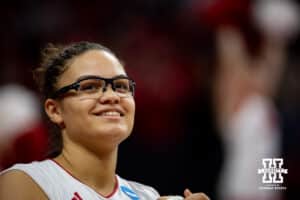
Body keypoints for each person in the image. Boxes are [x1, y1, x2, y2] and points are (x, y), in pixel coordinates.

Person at [0, 41, 209, 200]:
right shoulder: (23, 181)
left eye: (121, 86)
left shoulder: (147, 195)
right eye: (89, 86)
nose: (112, 96)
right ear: (55, 110)